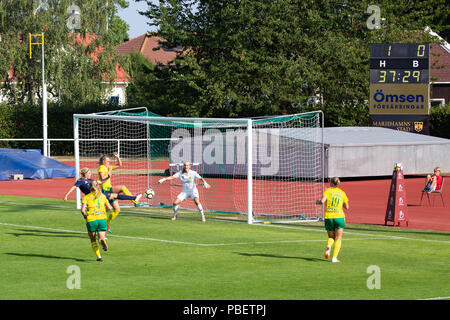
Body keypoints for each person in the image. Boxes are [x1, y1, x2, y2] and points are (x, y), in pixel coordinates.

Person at [98, 152, 144, 233]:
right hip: (106, 190)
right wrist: (109, 172)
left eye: (109, 161)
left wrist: (117, 157)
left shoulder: (108, 167)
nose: (109, 162)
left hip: (109, 189)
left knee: (117, 210)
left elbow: (120, 165)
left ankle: (106, 224)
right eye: (108, 161)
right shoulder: (101, 168)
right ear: (103, 161)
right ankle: (135, 201)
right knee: (122, 187)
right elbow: (102, 179)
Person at [63, 167, 143, 204]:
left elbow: (100, 182)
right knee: (114, 197)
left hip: (99, 195)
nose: (90, 174)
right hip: (92, 198)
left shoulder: (90, 180)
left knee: (115, 196)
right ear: (85, 174)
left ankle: (134, 198)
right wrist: (66, 195)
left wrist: (107, 177)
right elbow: (73, 187)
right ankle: (134, 198)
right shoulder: (80, 181)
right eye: (89, 173)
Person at [316, 177, 349, 263]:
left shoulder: (327, 191)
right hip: (339, 217)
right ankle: (334, 258)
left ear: (330, 183)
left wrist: (317, 201)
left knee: (331, 237)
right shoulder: (342, 193)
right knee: (338, 237)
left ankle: (329, 245)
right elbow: (347, 207)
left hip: (329, 217)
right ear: (338, 184)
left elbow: (322, 202)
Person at [81, 180, 112, 262]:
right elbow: (109, 208)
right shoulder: (103, 196)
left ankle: (99, 257)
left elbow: (83, 210)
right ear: (97, 186)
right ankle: (102, 242)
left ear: (89, 187)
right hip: (102, 219)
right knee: (101, 238)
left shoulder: (86, 197)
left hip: (91, 220)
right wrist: (103, 211)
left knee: (93, 239)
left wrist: (85, 216)